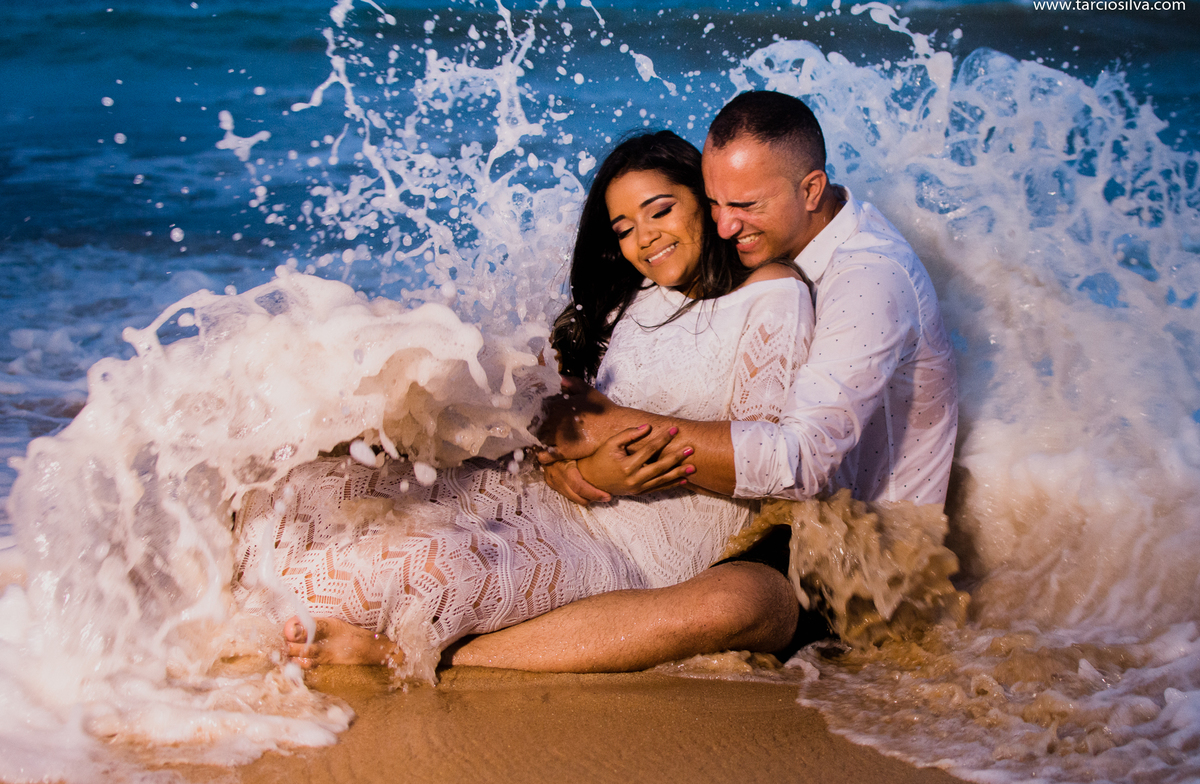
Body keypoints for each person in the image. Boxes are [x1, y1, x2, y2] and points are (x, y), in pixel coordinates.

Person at [231, 130, 814, 680]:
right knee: (305, 490)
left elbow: (759, 459)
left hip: (640, 549)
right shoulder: (634, 300)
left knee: (410, 568)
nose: (645, 237)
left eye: (660, 210)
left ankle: (394, 654)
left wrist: (603, 460)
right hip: (553, 496)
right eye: (623, 227)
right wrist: (570, 465)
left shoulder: (771, 295)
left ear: (706, 202)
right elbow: (566, 416)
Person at [441, 90, 958, 673]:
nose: (724, 224)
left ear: (811, 190)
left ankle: (456, 658)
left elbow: (802, 463)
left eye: (743, 205)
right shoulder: (771, 243)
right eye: (713, 202)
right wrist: (574, 460)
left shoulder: (869, 280)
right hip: (780, 522)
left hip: (862, 548)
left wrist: (609, 426)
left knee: (728, 605)